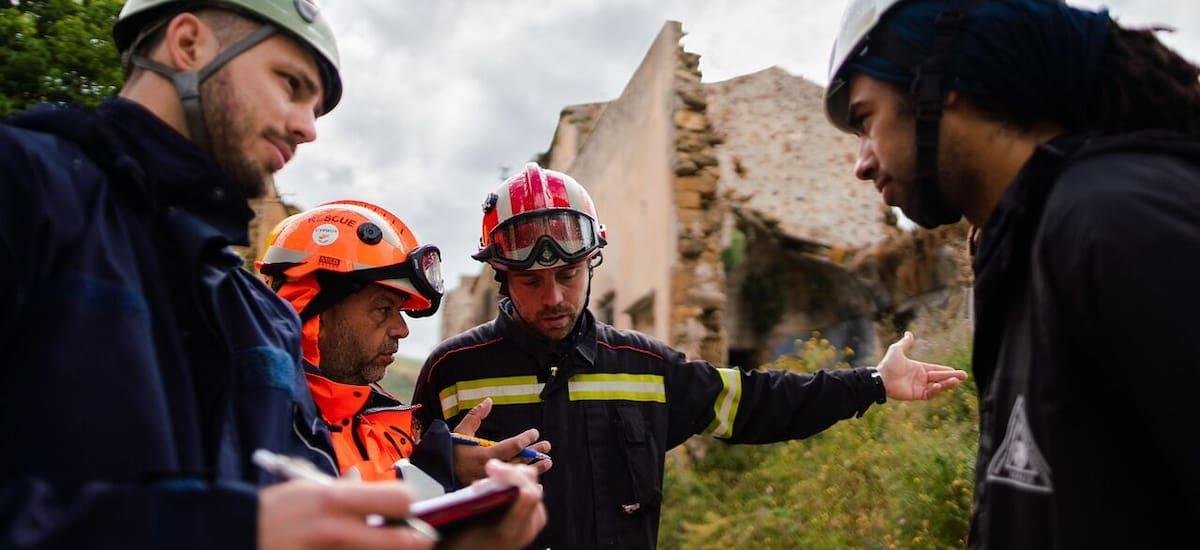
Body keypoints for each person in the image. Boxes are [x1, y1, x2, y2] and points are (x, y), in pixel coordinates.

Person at [0, 1, 543, 548]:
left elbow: (301, 521)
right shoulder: (25, 188)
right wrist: (232, 530)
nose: (307, 129)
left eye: (316, 107)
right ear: (188, 45)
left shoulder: (260, 319)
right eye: (290, 84)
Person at [412, 162, 969, 549]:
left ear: (592, 263)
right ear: (502, 277)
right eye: (531, 281)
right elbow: (379, 459)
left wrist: (873, 382)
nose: (554, 296)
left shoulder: (643, 367)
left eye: (568, 273)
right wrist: (443, 454)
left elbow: (759, 401)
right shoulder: (452, 369)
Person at [824, 0, 1200, 547]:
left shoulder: (1114, 222)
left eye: (865, 120)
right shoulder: (1029, 243)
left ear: (941, 86)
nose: (861, 162)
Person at [257, 199, 552, 485]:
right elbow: (323, 520)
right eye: (383, 309)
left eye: (399, 311)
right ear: (312, 312)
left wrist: (458, 480)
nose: (402, 329)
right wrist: (440, 470)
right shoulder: (258, 417)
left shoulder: (389, 429)